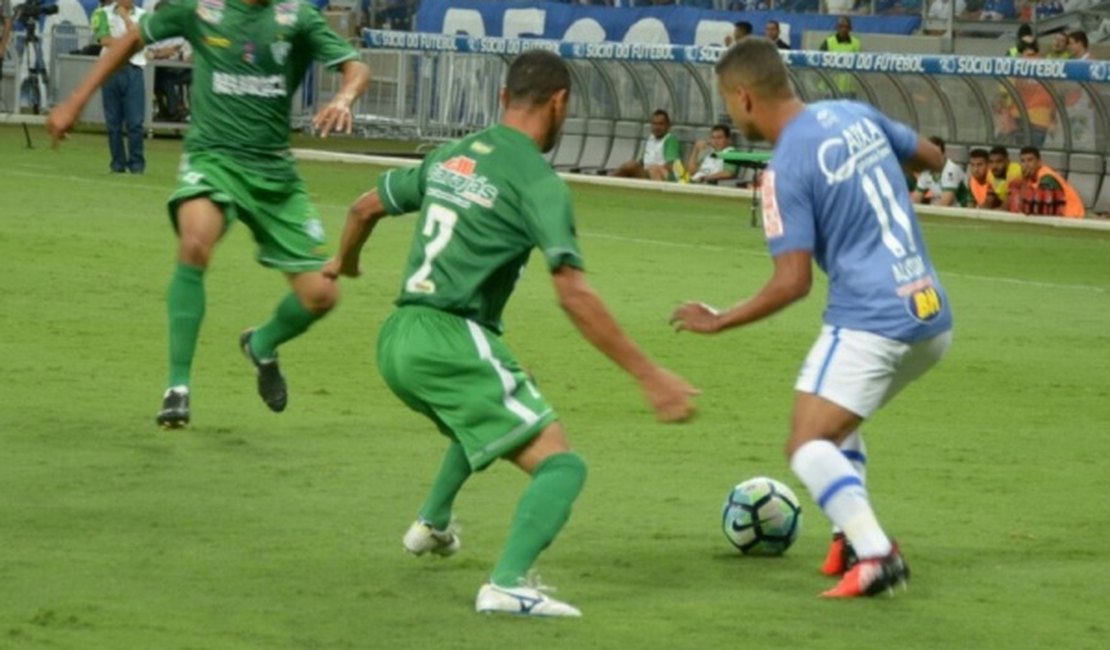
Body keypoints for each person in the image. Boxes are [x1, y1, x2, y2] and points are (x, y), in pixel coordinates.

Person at [324, 50, 698, 617]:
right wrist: (650, 376)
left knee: (497, 404)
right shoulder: (537, 181)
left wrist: (345, 264)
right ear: (561, 102)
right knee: (562, 464)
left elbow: (362, 208)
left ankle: (433, 522)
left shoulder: (452, 155)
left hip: (399, 337)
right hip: (451, 337)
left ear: (503, 99)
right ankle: (508, 582)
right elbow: (573, 292)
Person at [671, 38, 953, 599]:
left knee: (805, 443)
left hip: (872, 318)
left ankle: (877, 554)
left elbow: (792, 282)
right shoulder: (854, 113)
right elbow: (932, 159)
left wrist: (720, 319)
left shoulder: (784, 168)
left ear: (744, 97)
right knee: (836, 425)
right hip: (931, 314)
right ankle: (850, 539)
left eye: (728, 103)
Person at [46, 0, 372, 428]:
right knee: (195, 240)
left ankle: (262, 344)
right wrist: (76, 100)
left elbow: (356, 66)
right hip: (213, 158)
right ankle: (177, 386)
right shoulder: (199, 10)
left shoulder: (298, 17)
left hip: (274, 171)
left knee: (321, 295)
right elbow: (132, 39)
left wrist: (345, 97)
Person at [94, 0, 147, 174]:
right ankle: (117, 163)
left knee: (135, 122)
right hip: (110, 70)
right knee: (113, 123)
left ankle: (137, 164)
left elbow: (141, 39)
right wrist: (129, 44)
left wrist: (126, 18)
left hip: (133, 69)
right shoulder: (102, 13)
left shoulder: (143, 16)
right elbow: (104, 39)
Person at [1007, 146, 1085, 218]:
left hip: (1072, 216)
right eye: (1023, 161)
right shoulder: (1029, 178)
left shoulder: (1047, 178)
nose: (1026, 165)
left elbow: (1041, 208)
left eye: (1030, 160)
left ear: (1039, 162)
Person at [147, 0, 191, 122]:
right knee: (162, 77)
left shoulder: (180, 33)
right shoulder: (151, 34)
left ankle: (173, 110)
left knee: (168, 78)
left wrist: (180, 53)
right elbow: (147, 54)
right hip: (155, 72)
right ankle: (173, 110)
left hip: (180, 71)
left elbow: (187, 55)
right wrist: (160, 53)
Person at [612, 109, 682, 181]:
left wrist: (652, 169)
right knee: (630, 167)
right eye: (654, 124)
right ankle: (608, 181)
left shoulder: (670, 140)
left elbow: (671, 165)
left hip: (661, 175)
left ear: (668, 125)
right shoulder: (650, 139)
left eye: (660, 124)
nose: (657, 127)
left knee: (638, 166)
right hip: (647, 173)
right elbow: (641, 161)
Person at [910, 136, 970, 207]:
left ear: (943, 154)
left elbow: (946, 201)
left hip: (961, 208)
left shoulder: (951, 170)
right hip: (941, 208)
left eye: (936, 154)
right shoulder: (926, 171)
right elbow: (916, 198)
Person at [819, 17, 861, 99]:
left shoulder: (856, 43)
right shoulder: (828, 42)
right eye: (841, 26)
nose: (843, 29)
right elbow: (820, 61)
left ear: (850, 29)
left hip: (848, 88)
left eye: (846, 27)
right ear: (837, 28)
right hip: (830, 86)